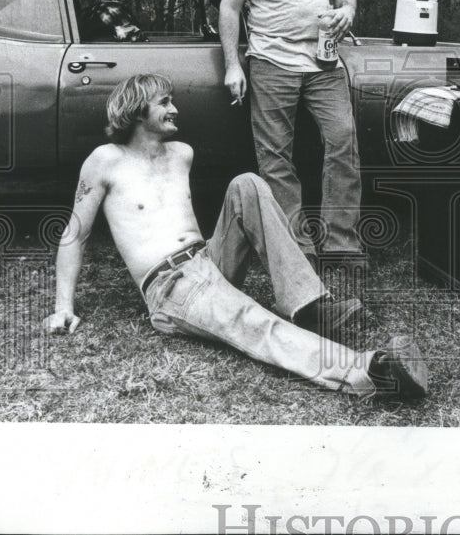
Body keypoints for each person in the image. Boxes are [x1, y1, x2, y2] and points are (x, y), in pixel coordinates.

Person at [43, 74, 428, 401]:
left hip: (209, 259)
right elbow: (75, 234)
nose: (175, 108)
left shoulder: (181, 153)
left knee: (248, 184)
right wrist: (64, 306)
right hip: (171, 285)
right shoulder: (105, 161)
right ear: (136, 109)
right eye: (164, 102)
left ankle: (309, 304)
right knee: (251, 320)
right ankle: (365, 373)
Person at [220, 0, 363, 262]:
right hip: (270, 60)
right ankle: (297, 248)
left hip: (324, 60)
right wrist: (233, 65)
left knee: (343, 140)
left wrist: (347, 10)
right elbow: (230, 9)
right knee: (275, 156)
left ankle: (341, 244)